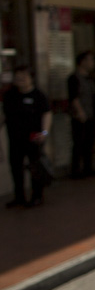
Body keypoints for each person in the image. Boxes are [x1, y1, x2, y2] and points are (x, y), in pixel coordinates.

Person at [2, 65, 52, 208]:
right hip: (15, 138)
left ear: (31, 78)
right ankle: (19, 197)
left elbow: (47, 114)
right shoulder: (10, 95)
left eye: (24, 76)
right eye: (17, 76)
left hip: (33, 138)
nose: (20, 79)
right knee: (16, 168)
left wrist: (44, 132)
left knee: (35, 167)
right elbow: (4, 115)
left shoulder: (38, 95)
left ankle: (37, 196)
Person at [68, 50, 95, 178]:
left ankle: (88, 167)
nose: (93, 63)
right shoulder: (74, 78)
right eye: (90, 60)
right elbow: (73, 97)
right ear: (82, 62)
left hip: (91, 115)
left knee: (89, 142)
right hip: (80, 116)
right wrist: (80, 112)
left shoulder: (90, 78)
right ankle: (76, 170)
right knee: (79, 142)